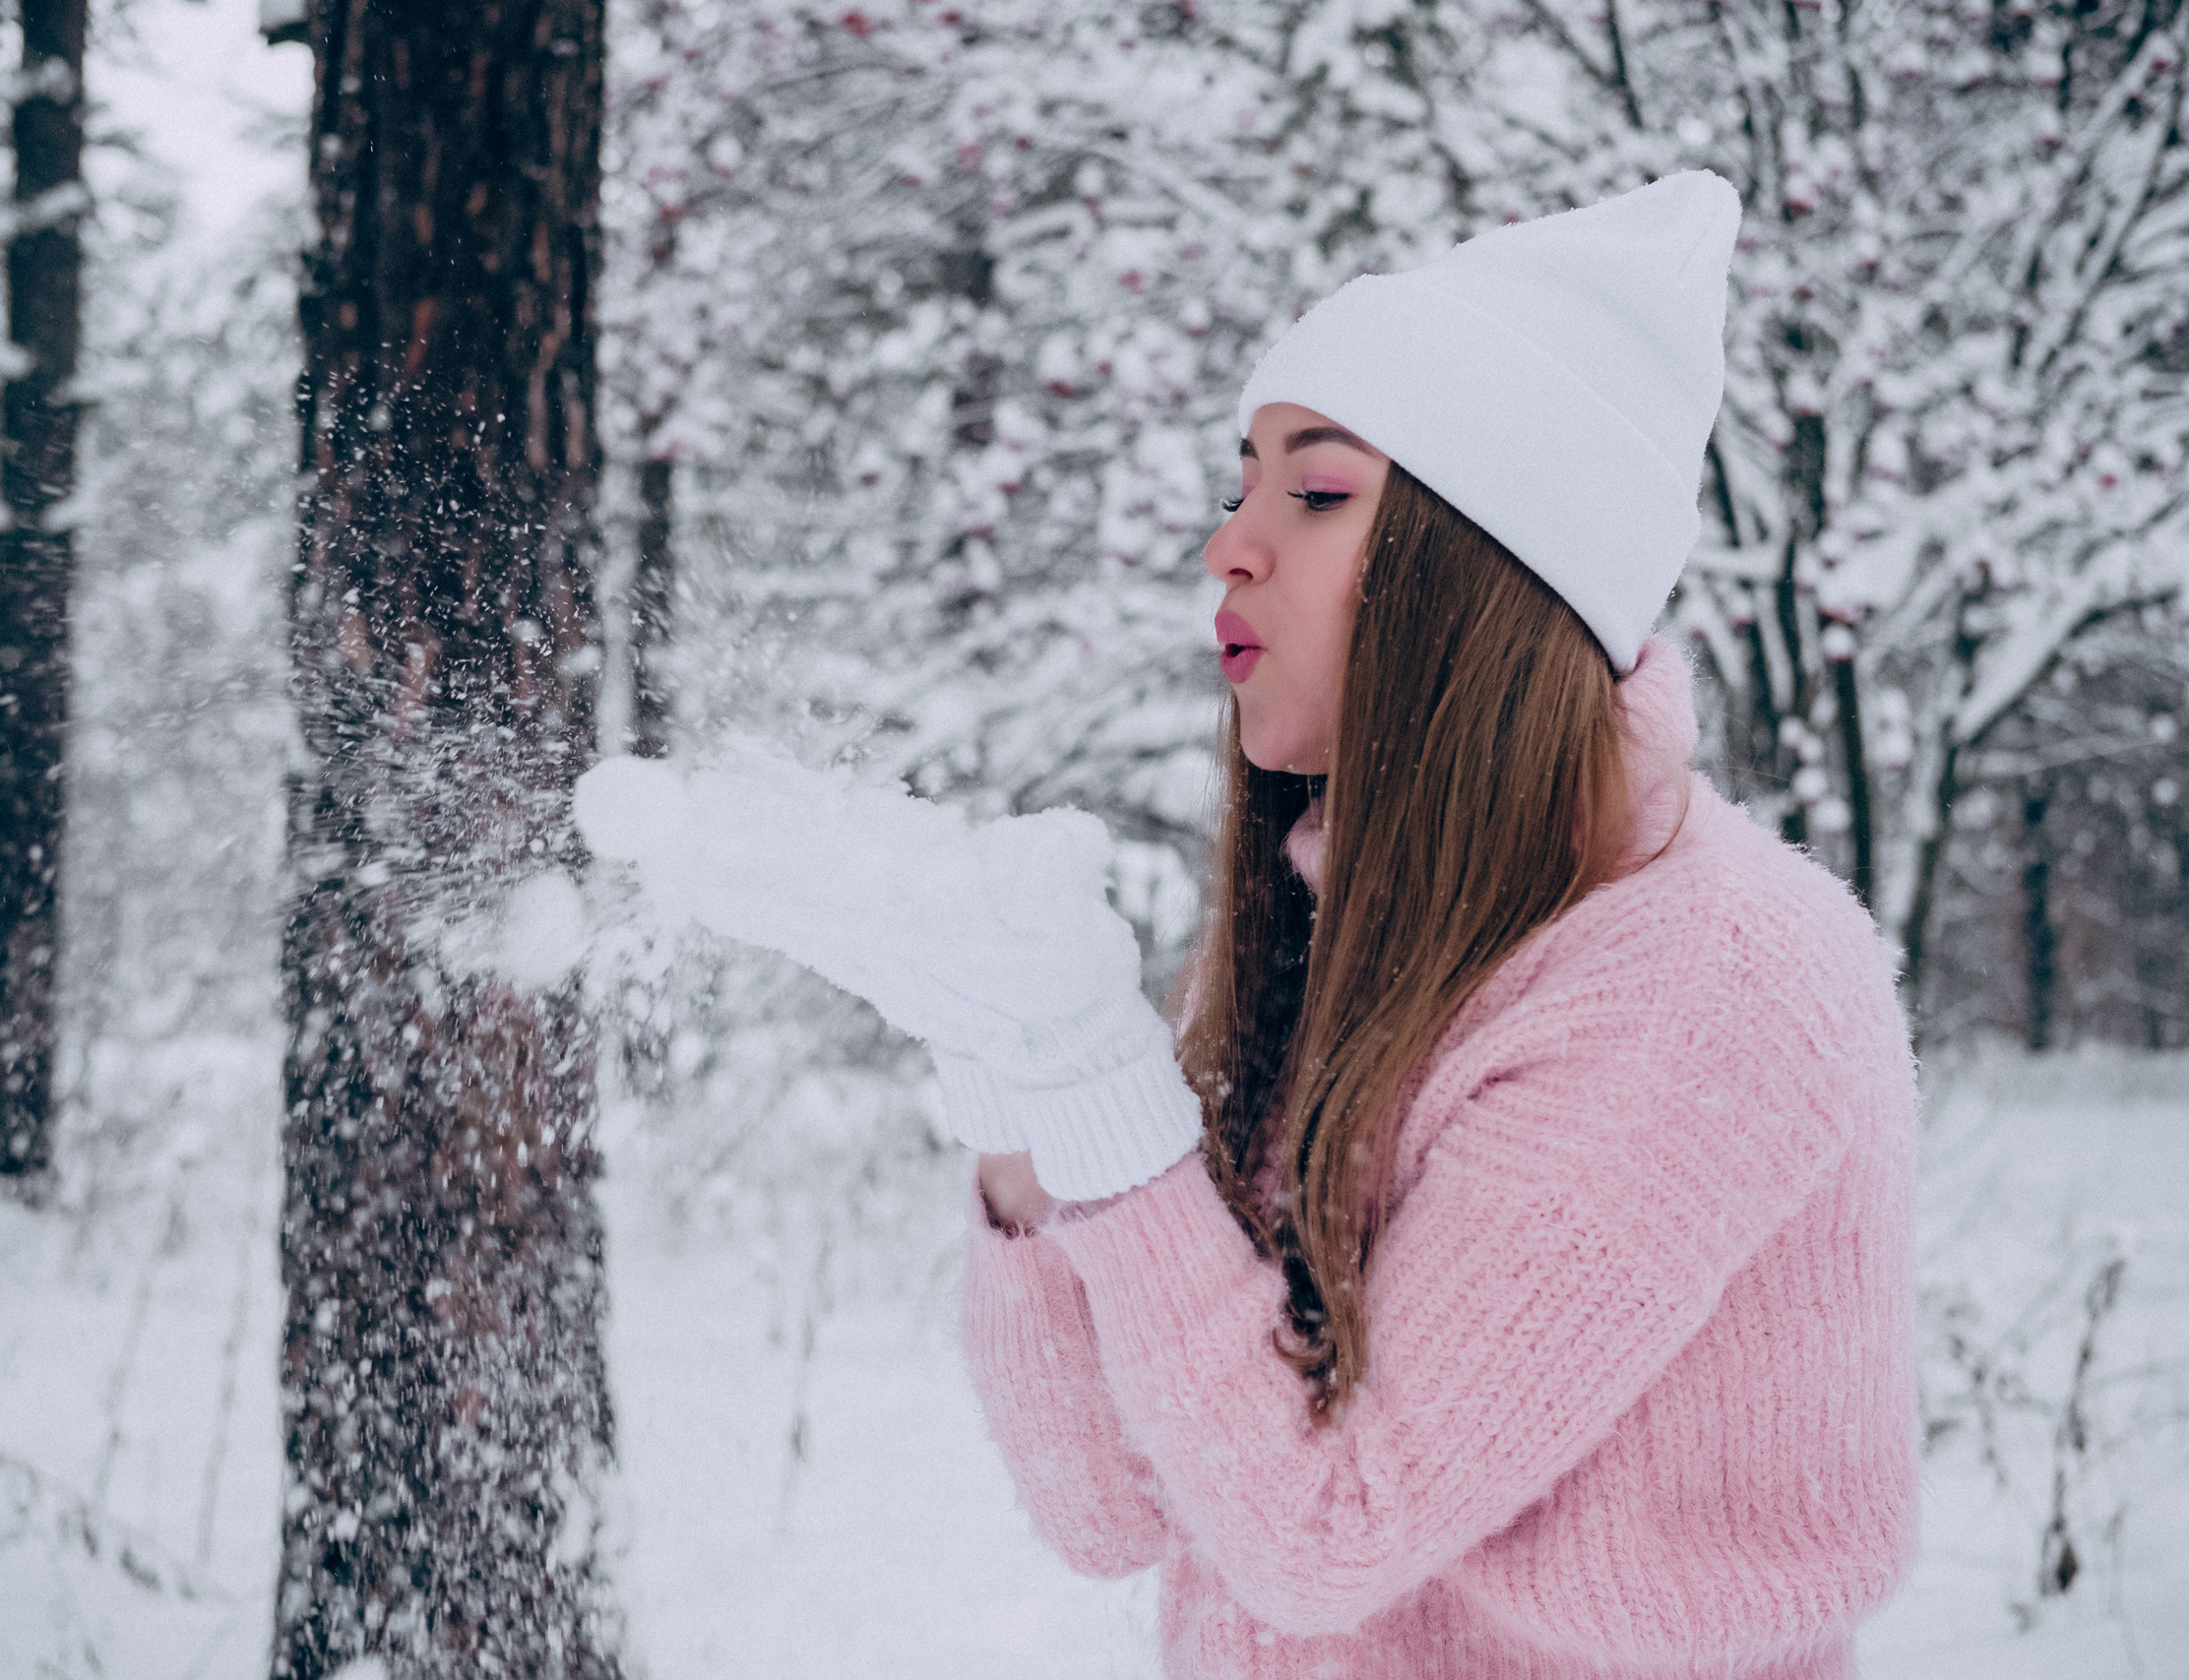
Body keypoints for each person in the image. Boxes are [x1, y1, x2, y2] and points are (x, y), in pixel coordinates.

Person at [574, 170, 1917, 1679]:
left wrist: (1096, 1078)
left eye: (1319, 493)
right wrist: (1010, 1092)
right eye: (1242, 486)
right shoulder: (1357, 935)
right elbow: (1113, 1506)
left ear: (1490, 575)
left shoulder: (1704, 986)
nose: (1230, 545)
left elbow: (1325, 1529)